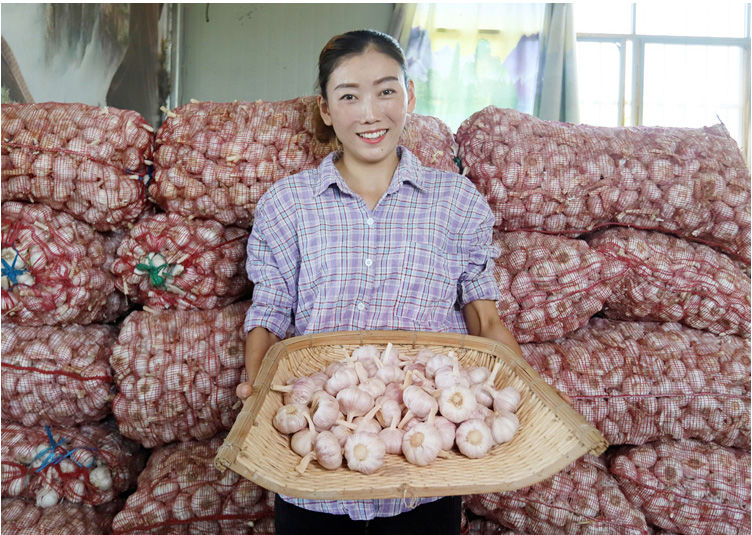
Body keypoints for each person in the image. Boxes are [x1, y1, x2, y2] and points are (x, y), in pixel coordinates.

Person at [236, 29, 523, 535]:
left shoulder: (456, 201)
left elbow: (485, 314)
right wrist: (257, 394)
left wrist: (529, 391)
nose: (371, 113)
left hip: (427, 460)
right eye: (349, 96)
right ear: (326, 110)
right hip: (318, 460)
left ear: (409, 96)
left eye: (387, 90)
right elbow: (270, 310)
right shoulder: (288, 204)